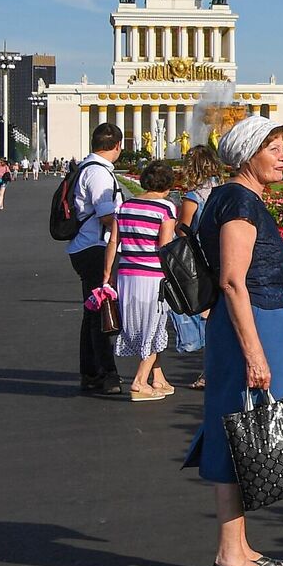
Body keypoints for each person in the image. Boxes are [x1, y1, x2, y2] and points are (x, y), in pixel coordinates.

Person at [186, 115, 283, 566]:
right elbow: (233, 280)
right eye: (273, 147)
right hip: (248, 328)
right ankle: (231, 554)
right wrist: (255, 353)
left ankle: (238, 547)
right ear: (248, 153)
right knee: (239, 428)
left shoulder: (236, 197)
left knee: (241, 427)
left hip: (256, 323)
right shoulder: (238, 200)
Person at [114, 160, 179, 402]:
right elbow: (164, 247)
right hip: (153, 276)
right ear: (169, 184)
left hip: (127, 274)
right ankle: (139, 382)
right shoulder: (165, 209)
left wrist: (108, 276)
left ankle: (158, 378)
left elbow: (115, 242)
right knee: (155, 327)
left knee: (143, 326)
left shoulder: (125, 206)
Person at [69, 123, 125, 395]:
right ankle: (106, 373)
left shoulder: (87, 168)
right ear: (117, 145)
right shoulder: (100, 174)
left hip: (86, 246)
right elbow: (106, 216)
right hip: (96, 247)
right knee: (100, 312)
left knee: (92, 313)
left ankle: (92, 372)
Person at [175, 146, 223, 390]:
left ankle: (209, 371)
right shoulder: (222, 192)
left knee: (206, 317)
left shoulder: (192, 198)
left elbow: (182, 230)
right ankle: (214, 369)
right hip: (222, 257)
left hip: (201, 261)